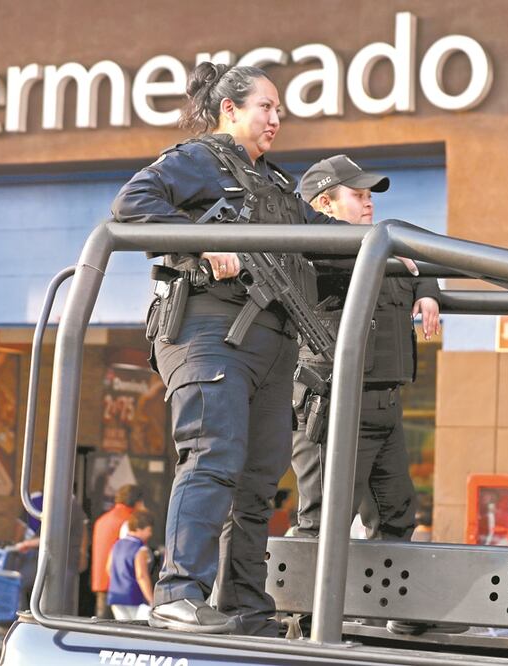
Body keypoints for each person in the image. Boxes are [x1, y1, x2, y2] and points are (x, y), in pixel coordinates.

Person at [111, 62, 347, 635]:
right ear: (230, 110)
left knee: (260, 478)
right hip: (210, 332)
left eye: (280, 110)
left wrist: (412, 276)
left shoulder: (278, 185)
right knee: (213, 455)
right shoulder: (199, 160)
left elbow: (327, 239)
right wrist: (203, 244)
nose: (276, 119)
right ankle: (177, 592)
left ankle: (243, 603)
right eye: (266, 107)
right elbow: (131, 203)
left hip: (272, 346)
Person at [291, 155, 441, 541]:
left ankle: (366, 604)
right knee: (323, 522)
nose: (370, 203)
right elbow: (325, 260)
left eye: (369, 196)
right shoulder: (311, 250)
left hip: (385, 405)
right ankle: (303, 605)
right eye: (358, 196)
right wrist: (387, 249)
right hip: (337, 405)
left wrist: (427, 292)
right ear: (325, 204)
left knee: (398, 518)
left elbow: (420, 267)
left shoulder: (383, 247)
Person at [13, 491, 87, 614]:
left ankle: (54, 625)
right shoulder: (50, 506)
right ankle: (31, 618)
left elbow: (54, 536)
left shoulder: (69, 505)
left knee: (61, 600)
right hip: (50, 558)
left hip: (65, 560)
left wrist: (26, 544)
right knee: (21, 582)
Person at [91, 484, 144, 619]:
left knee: (102, 624)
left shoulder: (101, 520)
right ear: (137, 502)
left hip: (101, 580)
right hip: (121, 584)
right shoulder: (130, 522)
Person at [106, 509, 155, 621]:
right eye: (149, 530)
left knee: (122, 630)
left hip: (115, 595)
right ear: (139, 529)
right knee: (138, 631)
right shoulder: (140, 549)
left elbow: (109, 568)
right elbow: (141, 575)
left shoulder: (117, 544)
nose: (150, 534)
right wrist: (151, 599)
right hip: (134, 597)